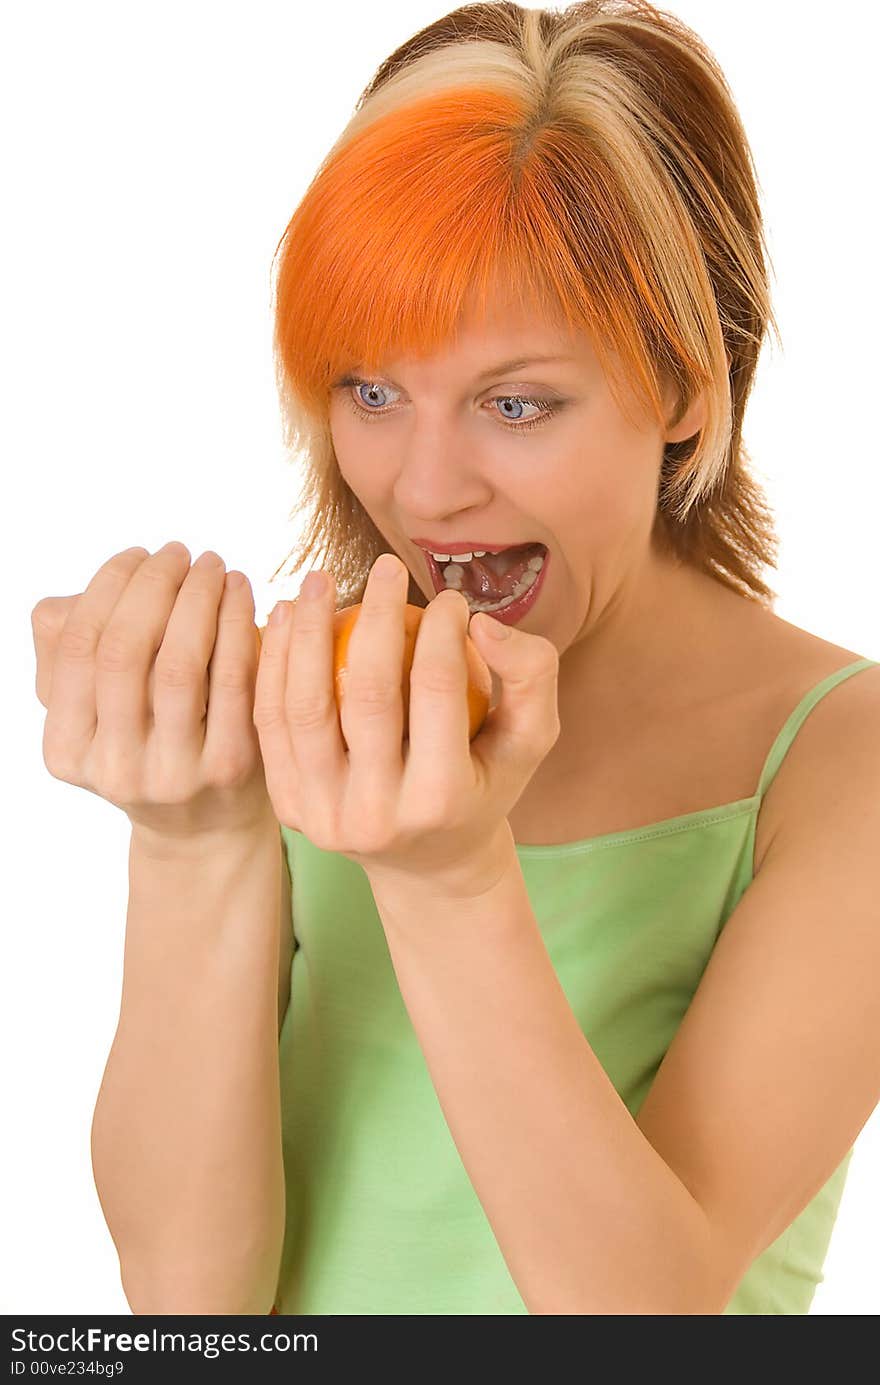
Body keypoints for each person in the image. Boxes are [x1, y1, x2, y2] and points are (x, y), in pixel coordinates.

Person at [32, 0, 879, 1315]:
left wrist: (448, 878)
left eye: (515, 402)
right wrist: (193, 839)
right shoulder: (300, 696)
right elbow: (190, 1304)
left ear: (686, 390)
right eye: (371, 389)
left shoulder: (845, 759)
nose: (424, 488)